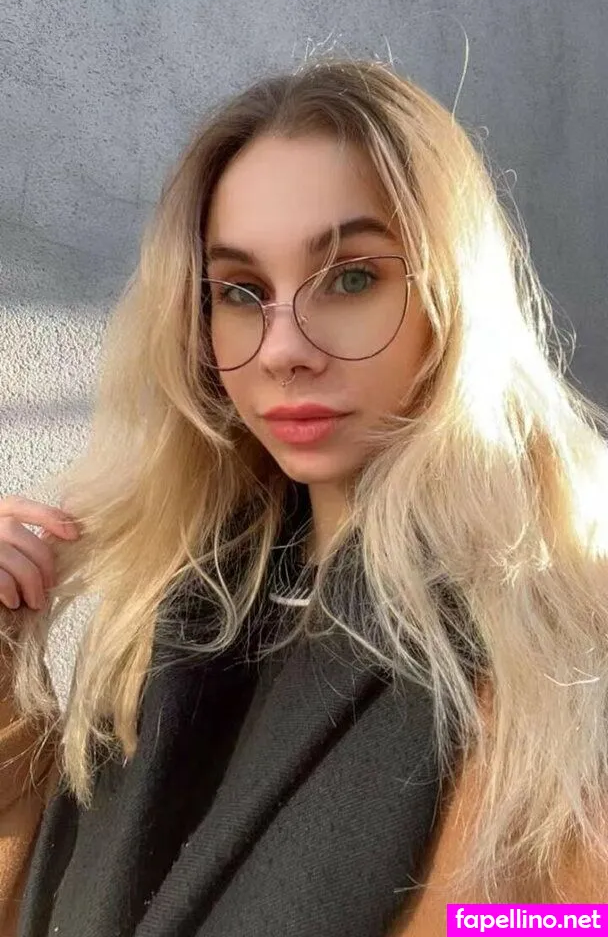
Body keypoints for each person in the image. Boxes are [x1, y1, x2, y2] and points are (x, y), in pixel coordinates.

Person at [0, 56, 607, 937]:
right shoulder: (176, 611)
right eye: (241, 292)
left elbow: (563, 918)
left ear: (452, 296)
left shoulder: (556, 634)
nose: (284, 349)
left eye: (352, 277)